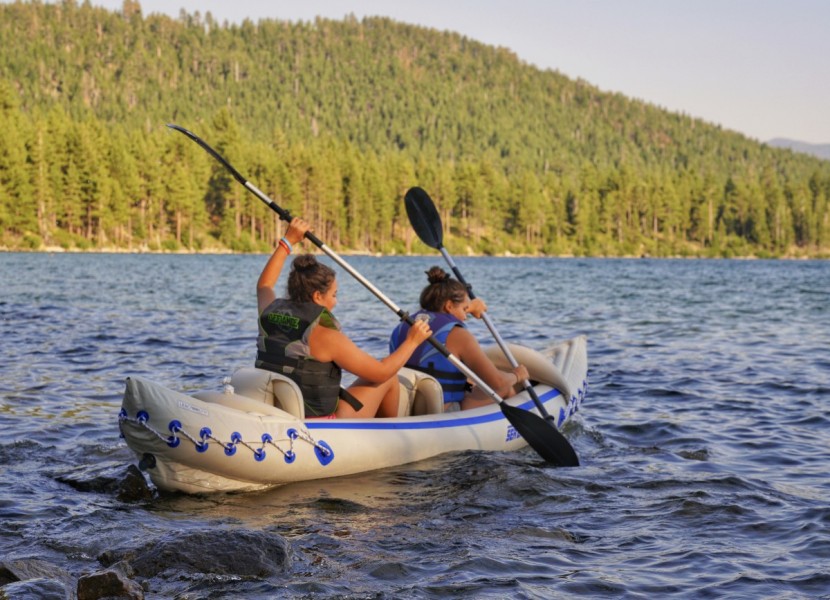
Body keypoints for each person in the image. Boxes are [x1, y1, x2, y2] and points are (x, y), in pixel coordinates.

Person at [256, 217, 432, 419]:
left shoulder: (269, 313)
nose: (336, 302)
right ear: (317, 296)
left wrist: (288, 241)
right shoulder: (325, 335)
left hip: (282, 414)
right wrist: (412, 341)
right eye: (334, 294)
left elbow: (264, 285)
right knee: (389, 378)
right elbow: (382, 372)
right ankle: (390, 437)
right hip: (321, 424)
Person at [389, 266, 529, 412]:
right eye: (464, 310)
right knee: (505, 387)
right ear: (449, 306)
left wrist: (470, 306)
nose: (465, 317)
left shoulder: (402, 327)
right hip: (443, 411)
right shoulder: (458, 334)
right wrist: (517, 375)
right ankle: (518, 426)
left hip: (404, 408)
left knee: (470, 381)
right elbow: (498, 383)